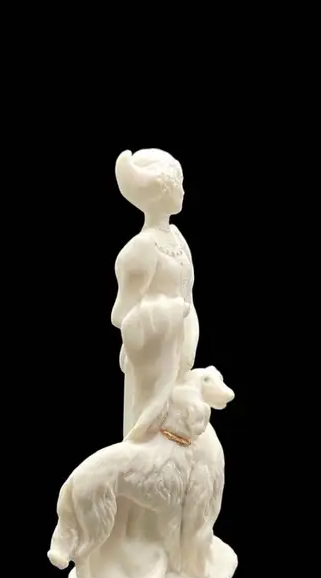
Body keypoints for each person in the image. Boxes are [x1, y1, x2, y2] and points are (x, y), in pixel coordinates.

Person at [112, 148, 199, 440]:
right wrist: (170, 313)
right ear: (159, 191)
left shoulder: (177, 239)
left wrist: (188, 339)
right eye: (178, 184)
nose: (183, 191)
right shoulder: (140, 249)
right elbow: (121, 315)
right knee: (149, 439)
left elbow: (188, 296)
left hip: (181, 355)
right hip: (153, 363)